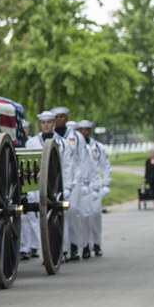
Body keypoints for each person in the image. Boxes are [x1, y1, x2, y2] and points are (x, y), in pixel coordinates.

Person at [20, 110, 62, 262]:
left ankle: (55, 251)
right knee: (36, 220)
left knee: (54, 220)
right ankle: (44, 250)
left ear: (53, 124)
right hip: (36, 184)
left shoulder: (61, 141)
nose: (46, 125)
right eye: (43, 123)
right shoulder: (31, 143)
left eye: (49, 122)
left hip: (54, 185)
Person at [52, 106, 85, 261]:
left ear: (66, 118)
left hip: (75, 180)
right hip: (57, 181)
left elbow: (82, 160)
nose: (59, 119)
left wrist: (79, 181)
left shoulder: (76, 136)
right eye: (56, 117)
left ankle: (74, 245)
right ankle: (62, 248)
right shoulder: (50, 137)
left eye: (62, 116)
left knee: (73, 212)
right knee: (59, 215)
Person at [77, 121, 110, 258]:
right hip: (81, 185)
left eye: (86, 130)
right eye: (81, 130)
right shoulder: (75, 146)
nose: (84, 132)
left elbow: (105, 165)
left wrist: (106, 183)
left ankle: (97, 243)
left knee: (96, 214)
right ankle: (85, 245)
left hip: (95, 184)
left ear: (90, 131)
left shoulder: (98, 147)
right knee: (84, 216)